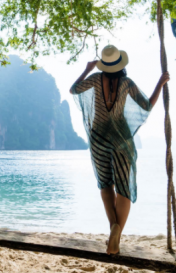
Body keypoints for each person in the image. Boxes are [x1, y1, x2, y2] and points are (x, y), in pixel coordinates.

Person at [70, 44, 170, 255]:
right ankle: (117, 232)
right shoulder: (126, 83)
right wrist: (160, 84)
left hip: (98, 139)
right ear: (120, 64)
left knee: (106, 185)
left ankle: (113, 228)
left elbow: (74, 89)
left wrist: (88, 69)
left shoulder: (96, 78)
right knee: (123, 188)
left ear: (104, 64)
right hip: (122, 140)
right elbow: (147, 106)